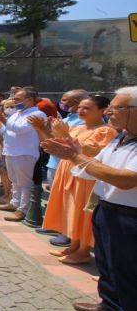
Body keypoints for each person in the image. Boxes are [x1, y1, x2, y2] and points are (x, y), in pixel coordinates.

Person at [41, 86, 137, 311]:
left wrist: (75, 156)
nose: (110, 112)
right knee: (107, 264)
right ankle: (109, 305)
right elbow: (94, 167)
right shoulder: (121, 138)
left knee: (127, 269)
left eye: (117, 108)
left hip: (129, 216)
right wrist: (76, 155)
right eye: (110, 108)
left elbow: (126, 180)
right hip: (107, 209)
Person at [33, 96, 117, 265]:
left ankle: (84, 250)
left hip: (86, 177)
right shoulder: (78, 127)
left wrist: (66, 135)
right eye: (80, 107)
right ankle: (74, 244)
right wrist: (43, 128)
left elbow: (94, 152)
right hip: (67, 172)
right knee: (71, 209)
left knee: (84, 213)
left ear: (102, 111)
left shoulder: (105, 131)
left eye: (87, 108)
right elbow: (57, 144)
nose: (81, 110)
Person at [39, 89, 87, 246]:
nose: (62, 103)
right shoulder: (69, 118)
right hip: (55, 163)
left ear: (78, 102)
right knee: (57, 197)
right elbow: (55, 139)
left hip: (68, 163)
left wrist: (58, 131)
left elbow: (71, 143)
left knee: (68, 200)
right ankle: (55, 225)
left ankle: (66, 233)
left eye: (66, 100)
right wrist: (46, 128)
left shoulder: (82, 122)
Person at [0, 88, 47, 221]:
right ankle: (14, 203)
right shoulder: (17, 114)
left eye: (17, 99)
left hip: (25, 153)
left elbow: (19, 130)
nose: (14, 101)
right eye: (14, 98)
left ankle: (23, 209)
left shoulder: (37, 114)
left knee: (24, 183)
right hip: (11, 151)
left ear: (30, 100)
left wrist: (2, 118)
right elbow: (6, 130)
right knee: (14, 181)